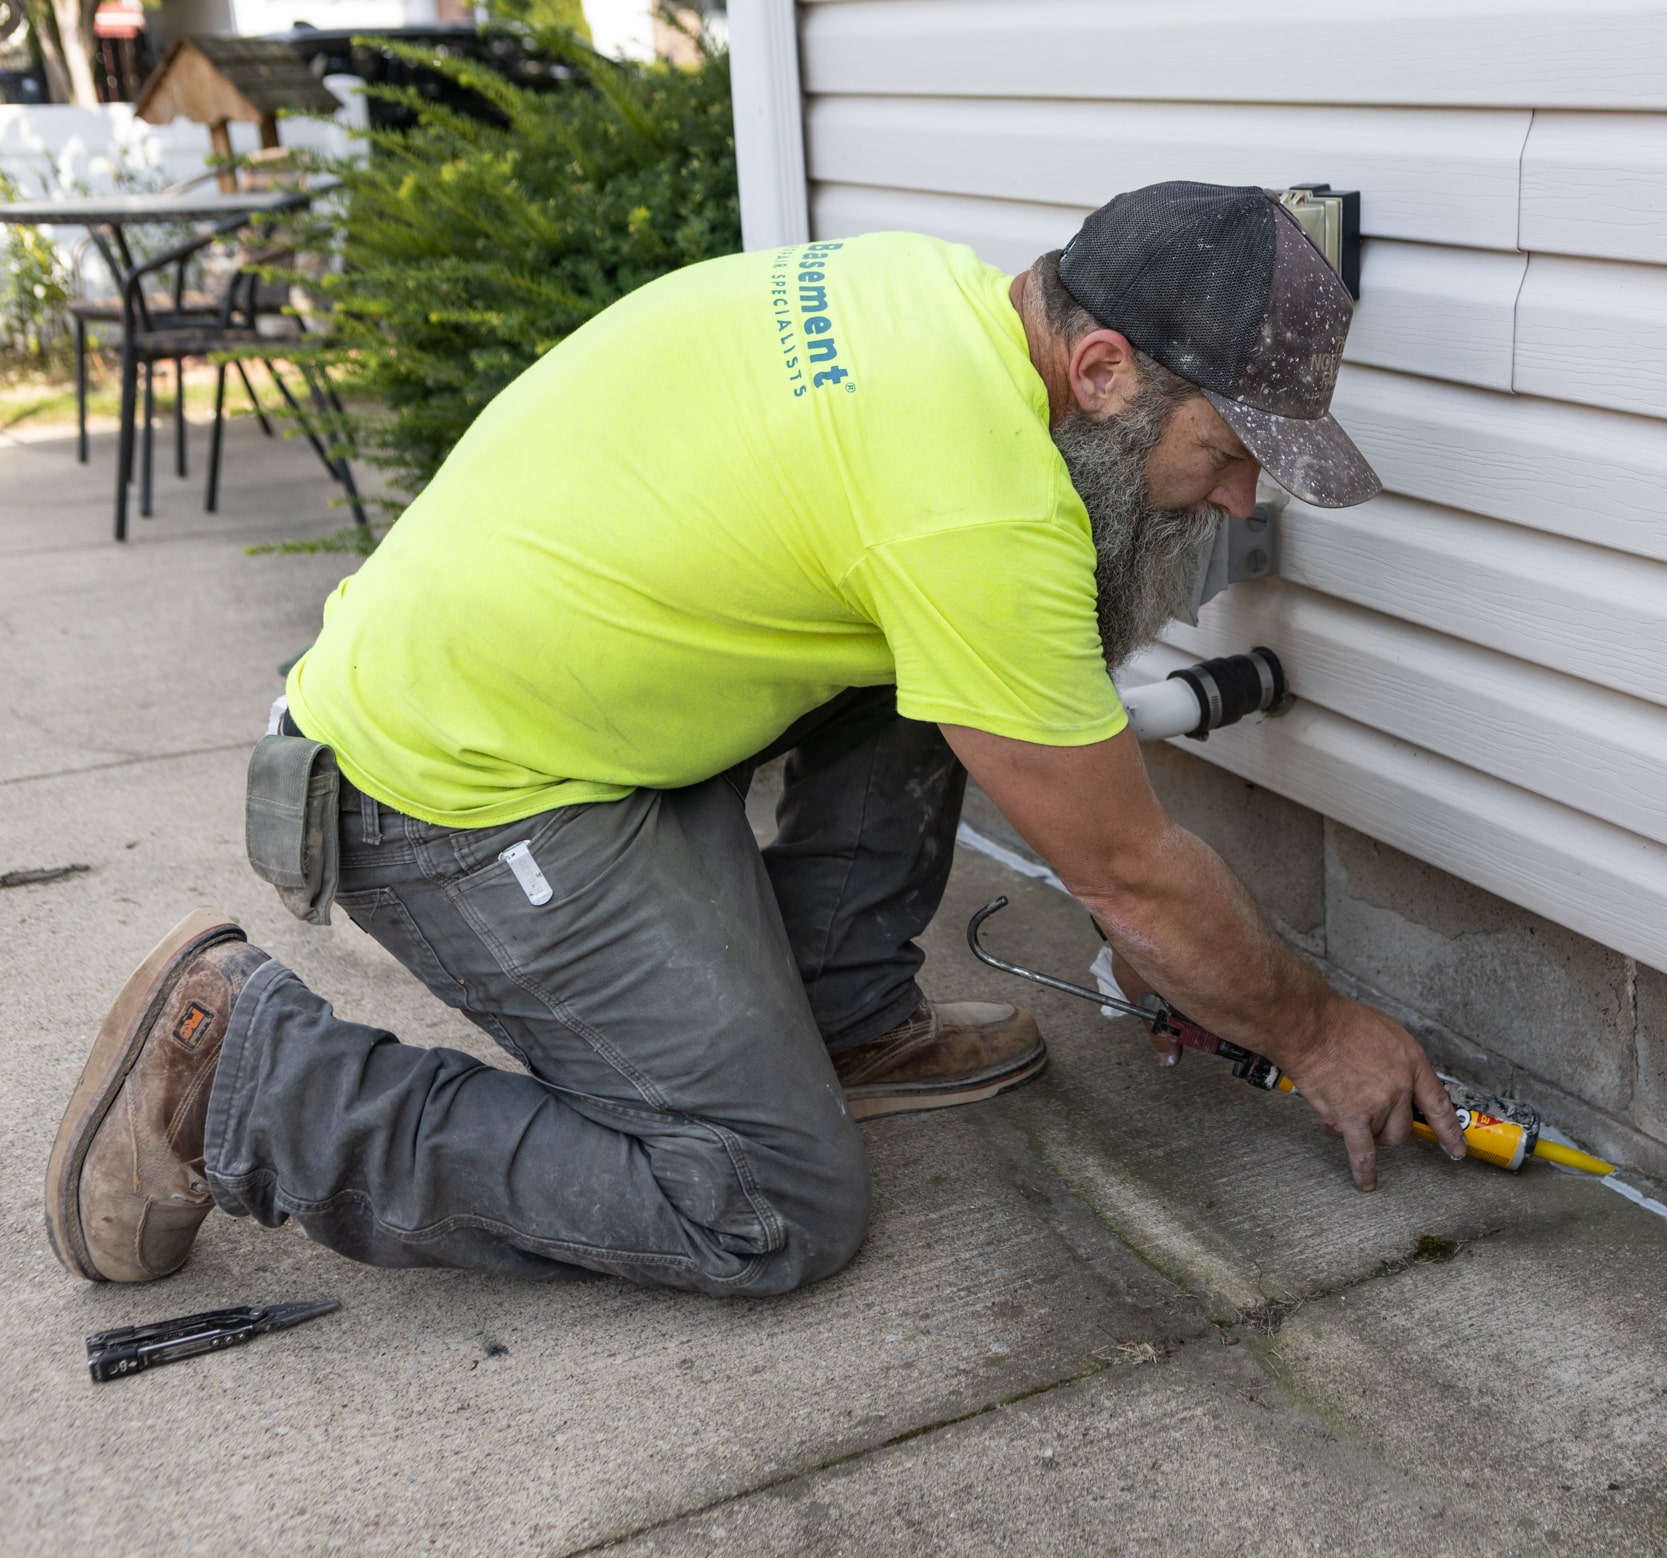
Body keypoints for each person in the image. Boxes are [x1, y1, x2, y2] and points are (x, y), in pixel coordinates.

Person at [44, 181, 1465, 1298]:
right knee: (771, 1204)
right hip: (444, 795)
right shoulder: (976, 511)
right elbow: (1135, 881)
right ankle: (243, 1080)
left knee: (973, 667)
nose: (1230, 505)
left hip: (547, 718)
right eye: (1225, 454)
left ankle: (839, 1023)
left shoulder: (930, 298)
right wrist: (1324, 1031)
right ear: (1102, 369)